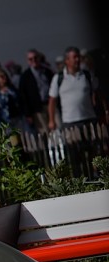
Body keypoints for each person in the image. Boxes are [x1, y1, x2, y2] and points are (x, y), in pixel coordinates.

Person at [48, 46, 105, 175]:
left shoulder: (86, 75)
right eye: (74, 57)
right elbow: (52, 100)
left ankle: (97, 175)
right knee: (74, 153)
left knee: (94, 151)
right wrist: (51, 120)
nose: (77, 60)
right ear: (67, 60)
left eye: (78, 57)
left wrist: (104, 110)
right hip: (70, 122)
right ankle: (80, 177)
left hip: (89, 118)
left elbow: (97, 93)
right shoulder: (59, 78)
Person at [17, 48, 53, 134]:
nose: (34, 60)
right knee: (45, 131)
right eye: (31, 59)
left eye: (35, 58)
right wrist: (28, 114)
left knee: (57, 127)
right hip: (37, 109)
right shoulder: (25, 76)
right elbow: (23, 96)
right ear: (28, 61)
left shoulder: (47, 72)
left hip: (51, 104)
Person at [0, 67, 19, 132]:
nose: (4, 78)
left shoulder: (11, 89)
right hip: (6, 123)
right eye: (2, 77)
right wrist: (0, 126)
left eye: (5, 76)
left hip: (17, 120)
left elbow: (18, 101)